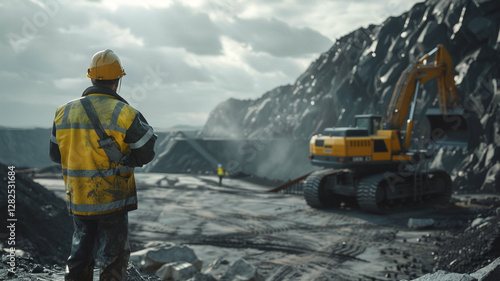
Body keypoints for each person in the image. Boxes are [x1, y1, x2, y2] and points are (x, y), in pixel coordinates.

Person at [49, 49, 157, 281]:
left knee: (80, 255)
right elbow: (146, 153)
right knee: (113, 258)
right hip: (113, 199)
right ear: (118, 81)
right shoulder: (125, 113)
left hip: (79, 196)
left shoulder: (62, 112)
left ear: (91, 77)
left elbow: (55, 155)